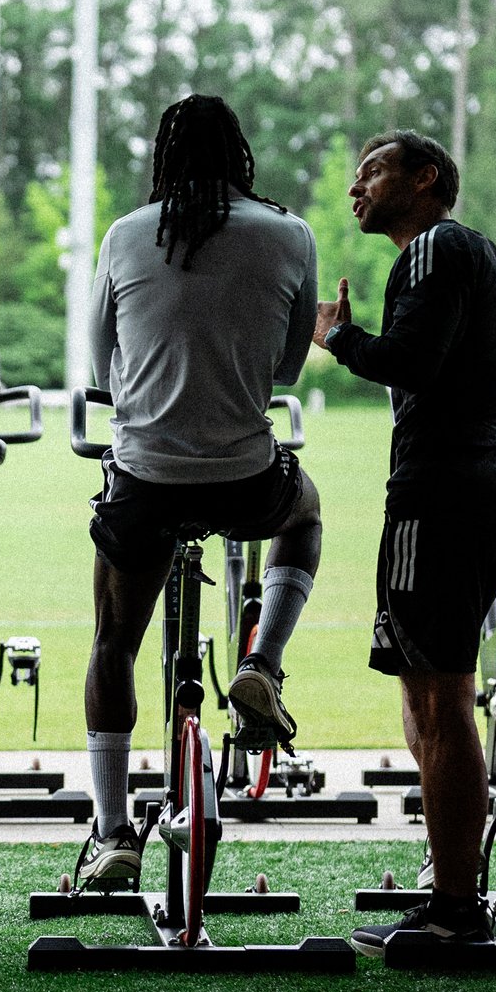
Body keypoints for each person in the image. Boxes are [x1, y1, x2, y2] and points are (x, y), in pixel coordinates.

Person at [75, 94, 324, 890]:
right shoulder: (290, 234)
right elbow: (286, 369)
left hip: (144, 475)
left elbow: (94, 370)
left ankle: (113, 830)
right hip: (246, 477)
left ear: (164, 158)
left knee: (114, 640)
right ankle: (263, 661)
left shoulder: (124, 235)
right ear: (242, 155)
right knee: (306, 510)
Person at [313, 129, 496, 952]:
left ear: (426, 177)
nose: (355, 187)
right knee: (436, 695)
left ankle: (454, 909)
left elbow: (412, 359)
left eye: (372, 171)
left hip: (440, 497)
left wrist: (336, 336)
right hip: (484, 488)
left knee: (437, 701)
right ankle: (454, 894)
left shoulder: (434, 249)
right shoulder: (473, 255)